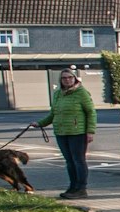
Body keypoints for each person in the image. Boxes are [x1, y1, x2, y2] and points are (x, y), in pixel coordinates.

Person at [32, 67, 97, 199]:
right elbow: (53, 114)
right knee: (69, 161)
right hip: (61, 132)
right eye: (64, 78)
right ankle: (72, 187)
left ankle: (81, 188)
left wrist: (90, 131)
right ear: (60, 80)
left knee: (79, 161)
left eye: (70, 77)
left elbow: (91, 112)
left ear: (74, 78)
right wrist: (40, 123)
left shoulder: (81, 93)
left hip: (77, 132)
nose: (67, 80)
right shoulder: (57, 94)